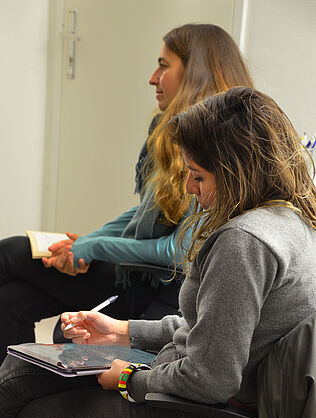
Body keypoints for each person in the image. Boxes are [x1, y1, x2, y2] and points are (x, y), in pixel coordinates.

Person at [1, 86, 316, 418]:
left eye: (197, 175)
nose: (187, 187)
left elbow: (210, 377)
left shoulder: (244, 242)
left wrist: (129, 379)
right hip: (210, 411)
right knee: (24, 373)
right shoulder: (292, 221)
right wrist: (121, 331)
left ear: (238, 171)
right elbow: (214, 330)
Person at [0, 24, 254, 363]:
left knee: (11, 252)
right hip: (139, 275)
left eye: (163, 65)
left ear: (195, 73)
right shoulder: (164, 130)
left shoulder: (218, 144)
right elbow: (144, 212)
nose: (152, 77)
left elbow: (179, 251)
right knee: (12, 300)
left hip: (164, 286)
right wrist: (85, 242)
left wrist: (93, 246)